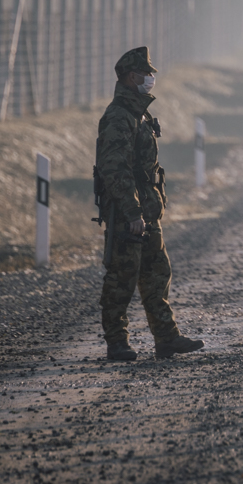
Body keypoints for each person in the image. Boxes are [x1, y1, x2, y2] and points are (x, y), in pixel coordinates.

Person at [96, 46, 204, 361]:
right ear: (132, 76)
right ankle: (117, 342)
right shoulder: (118, 116)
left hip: (146, 212)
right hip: (128, 214)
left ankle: (166, 338)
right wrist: (131, 212)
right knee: (121, 278)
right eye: (147, 73)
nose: (151, 78)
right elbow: (115, 170)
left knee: (157, 273)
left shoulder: (137, 113)